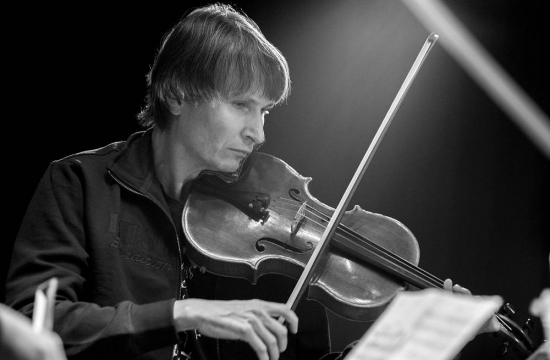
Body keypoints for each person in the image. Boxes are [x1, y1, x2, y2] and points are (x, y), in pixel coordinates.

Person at [4, 3, 498, 360]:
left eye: (264, 111)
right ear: (176, 93)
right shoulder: (80, 183)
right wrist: (181, 313)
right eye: (241, 105)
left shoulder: (269, 241)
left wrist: (405, 340)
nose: (258, 133)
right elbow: (32, 322)